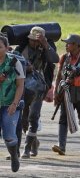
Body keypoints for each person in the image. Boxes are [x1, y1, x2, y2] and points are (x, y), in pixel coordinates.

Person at [16, 26, 59, 159]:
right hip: (22, 86)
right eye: (32, 40)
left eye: (37, 41)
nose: (34, 43)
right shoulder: (21, 49)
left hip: (39, 87)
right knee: (23, 118)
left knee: (33, 117)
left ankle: (27, 148)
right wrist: (25, 67)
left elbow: (55, 59)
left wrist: (45, 44)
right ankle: (34, 142)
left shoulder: (46, 49)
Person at [52, 34, 80, 155]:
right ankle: (61, 146)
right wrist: (56, 93)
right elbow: (58, 77)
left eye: (69, 43)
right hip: (66, 94)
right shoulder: (63, 58)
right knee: (63, 119)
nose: (66, 45)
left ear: (77, 45)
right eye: (66, 43)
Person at [0, 35, 25, 172]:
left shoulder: (15, 62)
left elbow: (20, 85)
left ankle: (14, 156)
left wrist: (14, 104)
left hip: (9, 104)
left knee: (9, 135)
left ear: (6, 48)